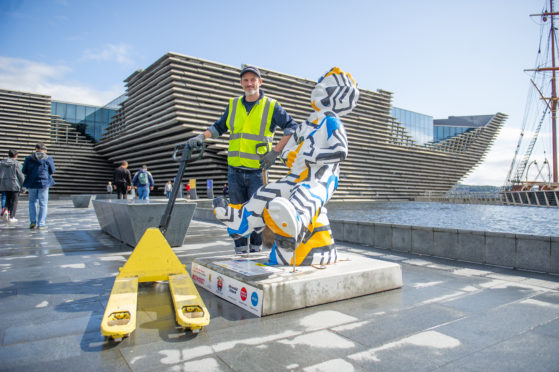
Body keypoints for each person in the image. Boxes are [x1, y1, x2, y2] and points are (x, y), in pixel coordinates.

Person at [213, 67, 359, 266]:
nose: (319, 89)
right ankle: (242, 220)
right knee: (268, 191)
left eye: (325, 86)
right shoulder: (308, 123)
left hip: (321, 178)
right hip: (297, 175)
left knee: (304, 196)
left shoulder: (331, 122)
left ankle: (294, 226)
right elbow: (290, 146)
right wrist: (284, 155)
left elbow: (341, 151)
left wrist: (311, 156)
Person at [187, 65, 298, 254]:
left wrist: (275, 152)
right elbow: (219, 127)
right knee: (235, 211)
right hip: (235, 171)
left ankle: (255, 250)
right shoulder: (233, 105)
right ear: (241, 83)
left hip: (258, 171)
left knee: (257, 213)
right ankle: (239, 251)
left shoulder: (271, 106)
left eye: (253, 80)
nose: (249, 83)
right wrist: (200, 137)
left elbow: (292, 127)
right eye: (245, 80)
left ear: (260, 82)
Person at [22, 143, 55, 229]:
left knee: (32, 202)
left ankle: (33, 222)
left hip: (32, 183)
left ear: (36, 149)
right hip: (43, 183)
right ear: (44, 150)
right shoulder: (48, 158)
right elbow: (52, 170)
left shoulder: (28, 158)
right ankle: (41, 223)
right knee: (43, 203)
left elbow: (24, 170)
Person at [0, 149, 24, 223]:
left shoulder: (1, 163)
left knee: (7, 199)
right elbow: (21, 176)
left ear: (8, 155)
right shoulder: (17, 164)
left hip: (4, 184)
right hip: (14, 184)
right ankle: (12, 217)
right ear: (16, 155)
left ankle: (6, 211)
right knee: (14, 201)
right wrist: (23, 186)